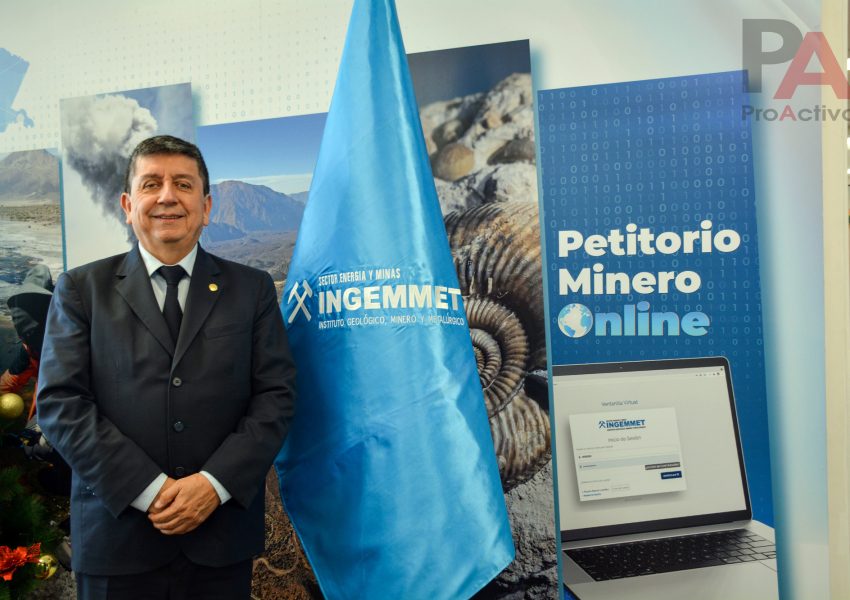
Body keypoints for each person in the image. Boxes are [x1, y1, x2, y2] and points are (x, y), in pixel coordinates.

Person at [37, 135, 296, 599]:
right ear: (127, 204)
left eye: (183, 184)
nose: (167, 196)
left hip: (220, 541)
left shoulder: (252, 290)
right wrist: (149, 489)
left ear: (206, 206)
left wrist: (213, 485)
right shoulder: (81, 290)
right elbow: (61, 403)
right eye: (151, 183)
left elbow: (276, 397)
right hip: (117, 541)